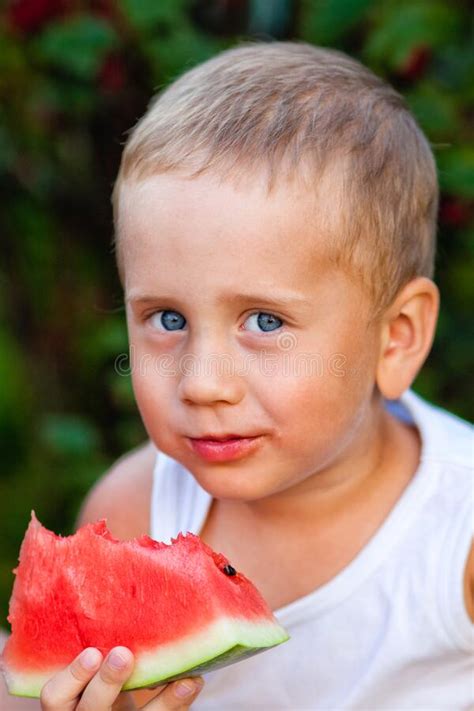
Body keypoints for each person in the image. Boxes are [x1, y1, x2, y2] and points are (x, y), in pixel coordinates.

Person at [7, 41, 473, 710]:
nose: (202, 383)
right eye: (167, 319)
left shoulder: (460, 537)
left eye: (264, 321)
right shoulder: (135, 509)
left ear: (395, 339)